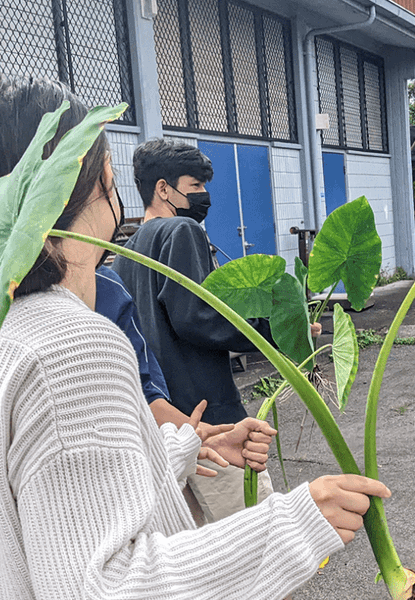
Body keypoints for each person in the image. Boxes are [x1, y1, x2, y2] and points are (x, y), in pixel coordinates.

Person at [0, 75, 389, 600]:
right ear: (96, 179)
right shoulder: (71, 346)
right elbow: (106, 598)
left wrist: (187, 445)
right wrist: (295, 522)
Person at [112, 140, 318, 525]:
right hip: (208, 415)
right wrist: (277, 331)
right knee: (262, 545)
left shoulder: (126, 252)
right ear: (163, 189)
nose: (204, 196)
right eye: (194, 187)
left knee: (200, 549)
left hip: (162, 427)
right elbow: (196, 317)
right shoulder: (181, 230)